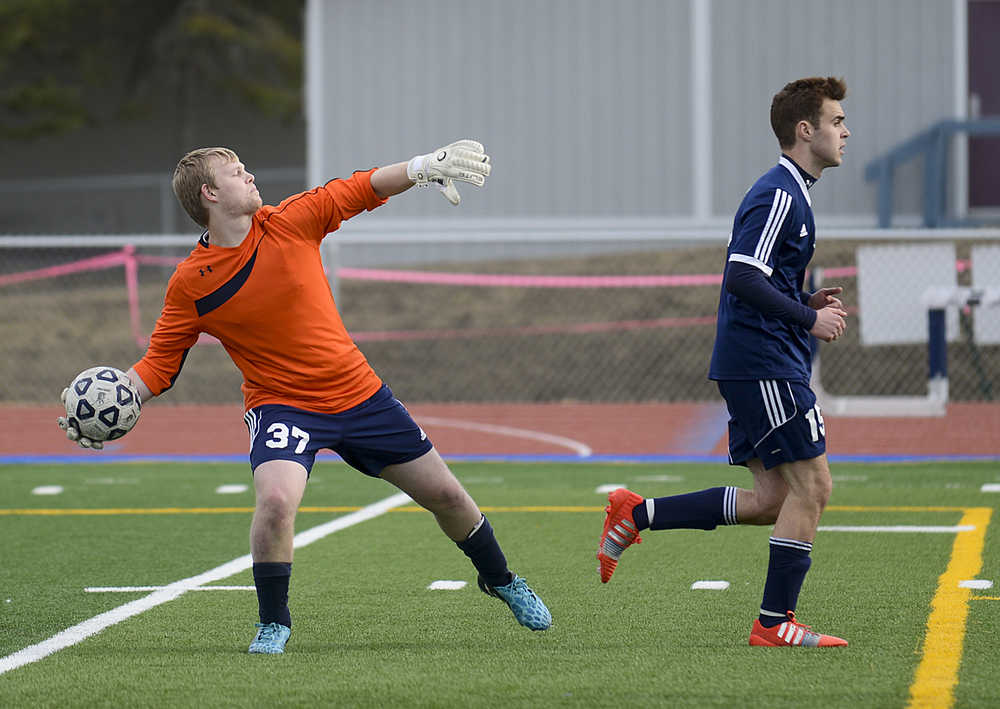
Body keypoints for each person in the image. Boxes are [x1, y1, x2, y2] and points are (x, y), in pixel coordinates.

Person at [57, 140, 551, 654]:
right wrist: (105, 409)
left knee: (447, 497)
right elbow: (159, 364)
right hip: (283, 406)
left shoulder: (291, 220)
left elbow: (358, 189)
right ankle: (274, 623)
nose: (249, 175)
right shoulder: (190, 283)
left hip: (360, 395)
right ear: (210, 193)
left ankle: (501, 579)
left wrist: (424, 167)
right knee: (274, 502)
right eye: (236, 172)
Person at [597, 77, 851, 647]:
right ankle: (774, 623)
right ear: (805, 130)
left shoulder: (795, 191)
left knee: (771, 501)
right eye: (836, 121)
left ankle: (635, 514)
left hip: (759, 358)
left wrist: (802, 302)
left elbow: (763, 278)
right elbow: (740, 275)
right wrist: (807, 320)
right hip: (764, 363)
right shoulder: (779, 192)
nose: (845, 130)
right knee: (814, 486)